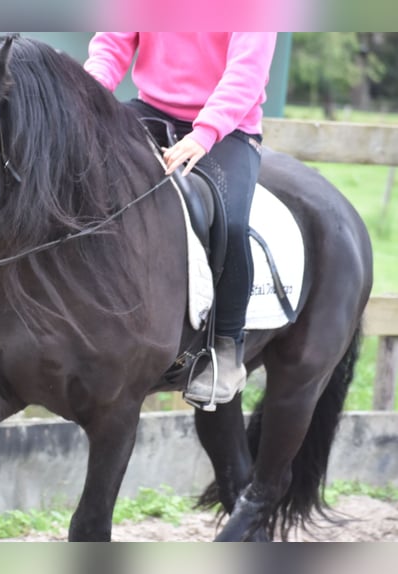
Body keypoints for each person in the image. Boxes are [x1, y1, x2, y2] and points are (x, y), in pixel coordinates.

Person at [84, 33, 277, 408]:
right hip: (149, 110)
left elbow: (246, 73)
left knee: (231, 223)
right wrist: (86, 98)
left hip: (230, 130)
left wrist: (204, 134)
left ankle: (225, 347)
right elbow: (111, 42)